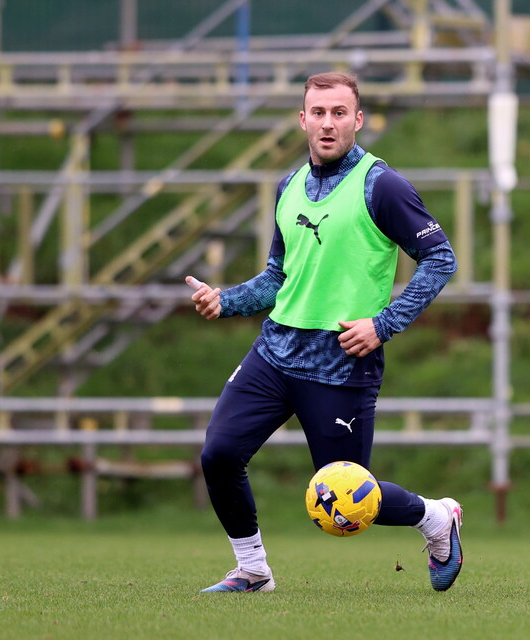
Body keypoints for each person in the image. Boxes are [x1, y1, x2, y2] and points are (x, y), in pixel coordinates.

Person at [187, 72, 461, 593]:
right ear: (303, 119)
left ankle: (436, 518)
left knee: (347, 500)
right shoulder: (288, 186)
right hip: (275, 353)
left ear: (358, 120)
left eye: (340, 113)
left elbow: (439, 259)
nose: (328, 123)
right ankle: (252, 570)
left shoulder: (383, 185)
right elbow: (278, 277)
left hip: (341, 362)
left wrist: (384, 324)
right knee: (219, 454)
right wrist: (225, 300)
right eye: (318, 112)